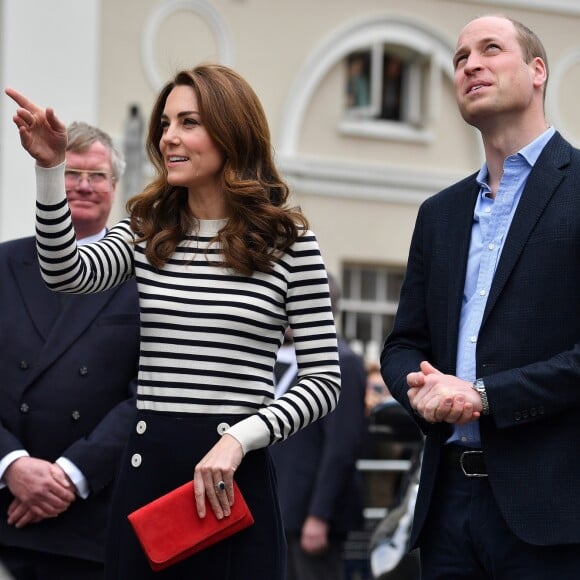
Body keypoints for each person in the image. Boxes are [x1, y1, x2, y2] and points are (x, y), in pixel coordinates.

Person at [6, 63, 341, 579]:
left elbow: (323, 381)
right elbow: (64, 271)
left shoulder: (290, 244)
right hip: (147, 475)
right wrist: (51, 171)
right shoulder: (148, 229)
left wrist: (242, 437)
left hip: (235, 472)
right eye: (165, 124)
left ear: (231, 130)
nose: (168, 138)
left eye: (188, 122)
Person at [381, 14, 580, 578]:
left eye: (490, 49)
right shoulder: (438, 214)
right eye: (460, 58)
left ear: (537, 70)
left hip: (551, 515)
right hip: (446, 511)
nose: (471, 64)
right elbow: (401, 345)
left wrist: (485, 395)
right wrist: (420, 390)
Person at [0, 122, 140, 579]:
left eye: (97, 175)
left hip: (92, 518)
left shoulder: (144, 279)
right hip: (5, 508)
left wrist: (70, 474)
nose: (83, 185)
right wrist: (12, 465)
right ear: (49, 185)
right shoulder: (3, 265)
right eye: (71, 173)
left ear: (115, 188)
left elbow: (151, 391)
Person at [271, 273, 366, 580]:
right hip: (279, 511)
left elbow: (341, 448)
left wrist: (319, 516)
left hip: (311, 519)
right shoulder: (279, 358)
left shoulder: (342, 363)